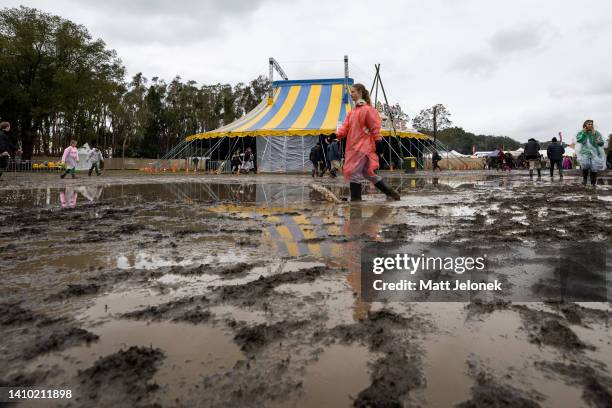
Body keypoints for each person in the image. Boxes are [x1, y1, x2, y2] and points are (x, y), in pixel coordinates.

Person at [337, 83, 400, 201]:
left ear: (360, 92)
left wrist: (379, 144)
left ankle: (356, 201)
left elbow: (375, 128)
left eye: (353, 92)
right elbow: (344, 128)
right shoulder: (352, 112)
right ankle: (392, 193)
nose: (351, 94)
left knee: (354, 173)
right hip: (353, 147)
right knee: (367, 173)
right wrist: (335, 135)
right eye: (351, 92)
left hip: (363, 147)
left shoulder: (368, 110)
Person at [576, 119, 605, 186]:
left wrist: (599, 142)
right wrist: (583, 133)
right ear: (585, 125)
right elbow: (579, 140)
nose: (590, 125)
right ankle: (585, 180)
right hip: (585, 152)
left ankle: (593, 183)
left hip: (595, 153)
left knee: (594, 167)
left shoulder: (596, 133)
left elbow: (602, 143)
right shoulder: (581, 132)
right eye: (589, 124)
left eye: (591, 124)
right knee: (585, 165)